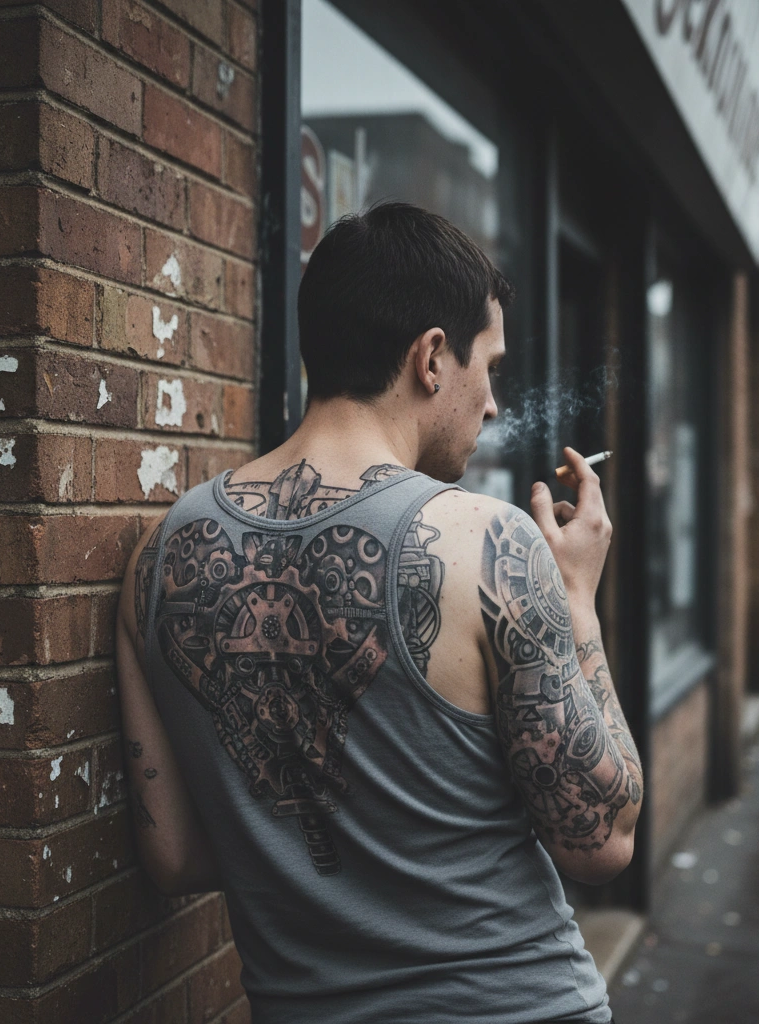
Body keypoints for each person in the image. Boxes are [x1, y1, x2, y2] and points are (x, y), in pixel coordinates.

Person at [115, 202, 643, 1024]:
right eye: (489, 367)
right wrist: (577, 600)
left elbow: (176, 855)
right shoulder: (488, 542)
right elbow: (602, 837)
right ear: (431, 358)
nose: (493, 405)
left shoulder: (160, 556)